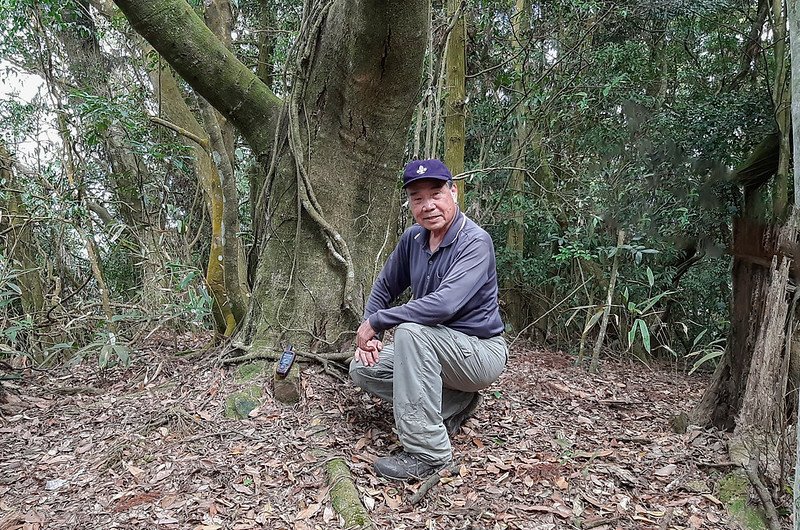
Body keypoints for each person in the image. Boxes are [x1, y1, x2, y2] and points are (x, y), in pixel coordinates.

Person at [349, 158, 508, 481]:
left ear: (453, 192)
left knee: (411, 332)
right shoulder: (414, 239)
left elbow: (444, 305)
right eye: (417, 198)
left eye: (435, 194)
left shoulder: (475, 242)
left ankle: (428, 453)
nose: (428, 205)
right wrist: (372, 332)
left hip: (479, 353)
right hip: (433, 349)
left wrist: (379, 321)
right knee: (363, 367)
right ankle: (455, 402)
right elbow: (385, 286)